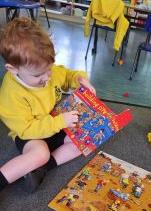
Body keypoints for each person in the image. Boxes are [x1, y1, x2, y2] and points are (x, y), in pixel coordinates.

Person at [0, 17, 96, 192]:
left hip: (54, 123)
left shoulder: (45, 72)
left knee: (85, 140)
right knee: (40, 153)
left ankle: (41, 170)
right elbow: (27, 130)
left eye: (49, 69)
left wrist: (80, 79)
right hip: (29, 134)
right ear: (13, 69)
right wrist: (59, 122)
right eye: (38, 76)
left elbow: (67, 76)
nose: (47, 78)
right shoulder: (11, 94)